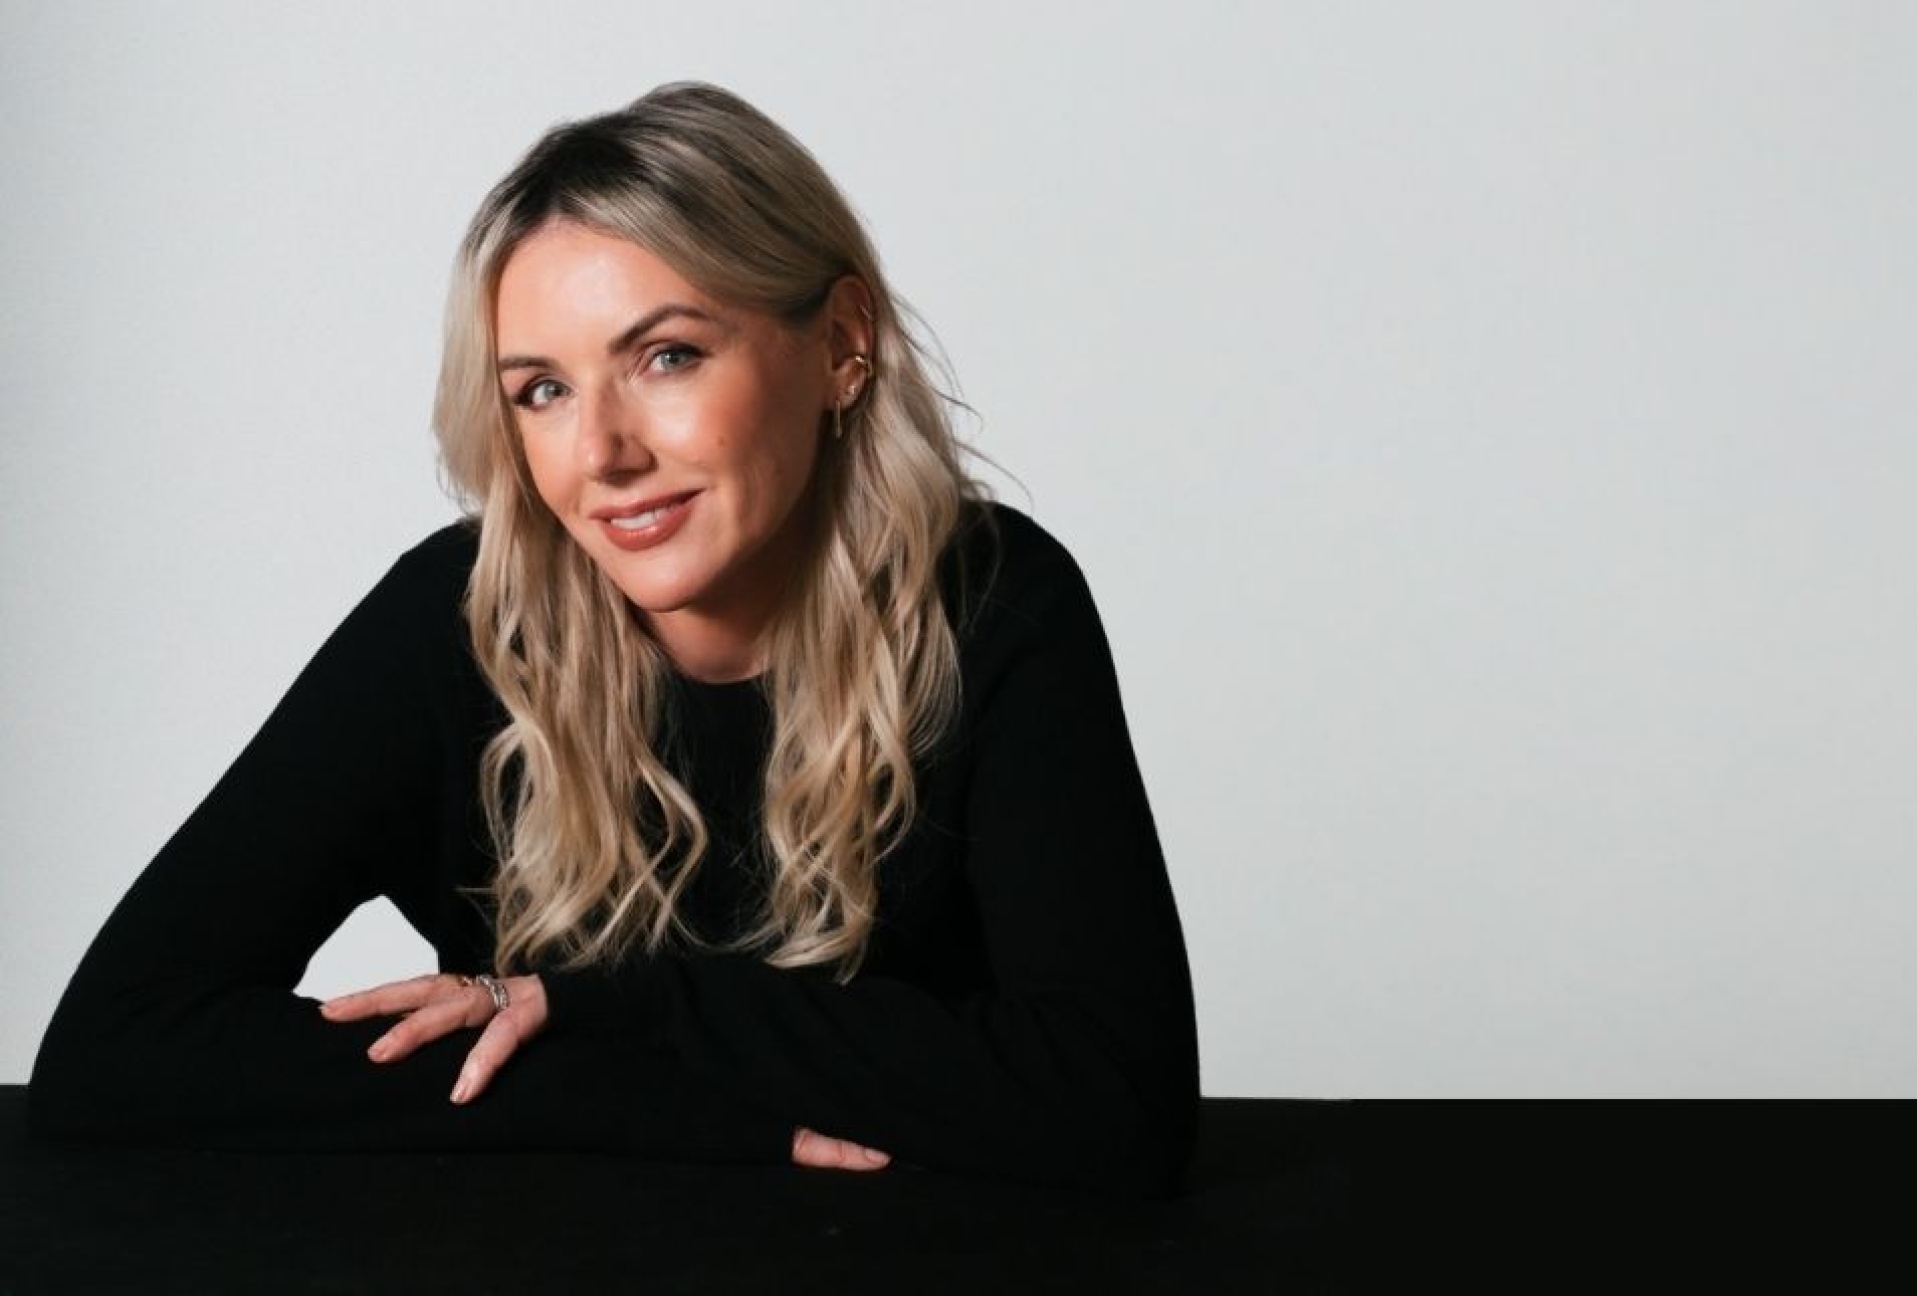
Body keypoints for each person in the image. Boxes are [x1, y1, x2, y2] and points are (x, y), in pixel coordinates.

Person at [26, 82, 1200, 1199]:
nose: (602, 454)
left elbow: (1118, 1104)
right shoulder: (458, 622)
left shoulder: (993, 604)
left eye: (667, 356)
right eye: (542, 389)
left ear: (843, 343)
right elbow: (116, 1050)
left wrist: (627, 1010)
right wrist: (654, 1106)